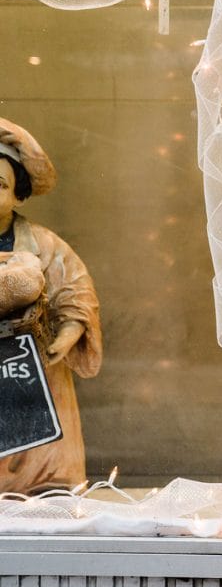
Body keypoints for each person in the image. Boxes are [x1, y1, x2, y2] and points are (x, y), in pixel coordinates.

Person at [0, 118, 103, 493]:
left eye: (0, 185)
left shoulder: (44, 244)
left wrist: (70, 332)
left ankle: (48, 487)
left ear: (19, 194)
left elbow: (76, 290)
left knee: (44, 455)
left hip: (35, 368)